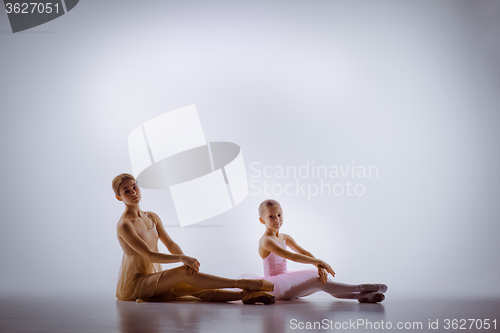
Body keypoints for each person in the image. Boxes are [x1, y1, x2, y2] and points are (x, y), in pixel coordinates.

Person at [113, 173, 275, 304]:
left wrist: (186, 263)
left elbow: (169, 243)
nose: (134, 193)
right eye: (127, 191)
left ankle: (245, 296)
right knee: (185, 276)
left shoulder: (152, 216)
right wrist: (183, 258)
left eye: (135, 187)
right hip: (137, 284)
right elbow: (149, 255)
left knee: (192, 286)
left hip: (155, 277)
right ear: (119, 197)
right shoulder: (125, 225)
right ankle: (241, 283)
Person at [257, 199, 387, 303]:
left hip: (286, 280)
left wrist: (318, 266)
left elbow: (304, 253)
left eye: (279, 215)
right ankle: (363, 287)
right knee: (319, 282)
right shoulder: (266, 241)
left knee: (324, 281)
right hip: (275, 287)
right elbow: (292, 257)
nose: (277, 220)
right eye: (271, 217)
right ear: (262, 220)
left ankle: (361, 296)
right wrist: (319, 261)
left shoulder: (285, 237)